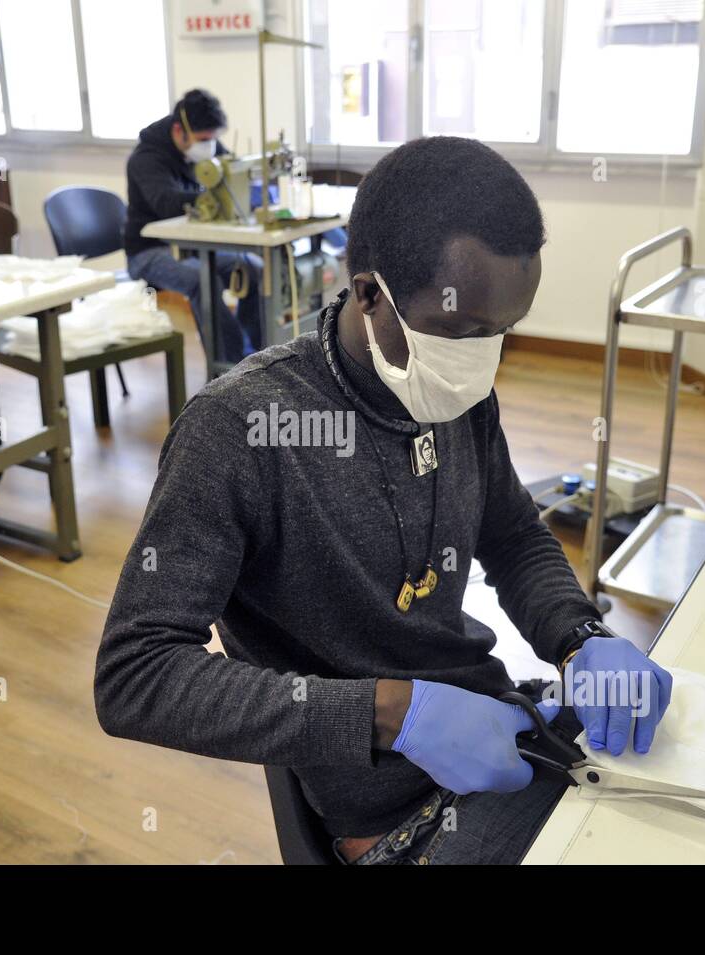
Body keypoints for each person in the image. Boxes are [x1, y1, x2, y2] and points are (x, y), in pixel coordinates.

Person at [95, 136, 674, 865]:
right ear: (369, 292)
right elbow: (134, 677)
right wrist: (390, 713)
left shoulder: (454, 391)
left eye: (503, 333)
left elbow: (515, 537)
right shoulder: (241, 432)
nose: (484, 362)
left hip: (501, 730)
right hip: (394, 808)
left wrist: (580, 638)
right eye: (465, 333)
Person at [124, 89, 264, 366]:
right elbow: (166, 203)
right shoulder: (146, 159)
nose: (211, 147)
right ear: (180, 130)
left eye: (214, 139)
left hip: (193, 249)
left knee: (254, 268)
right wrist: (215, 197)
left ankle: (261, 355)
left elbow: (231, 171)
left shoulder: (204, 142)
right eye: (204, 140)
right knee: (202, 281)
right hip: (149, 252)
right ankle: (231, 369)